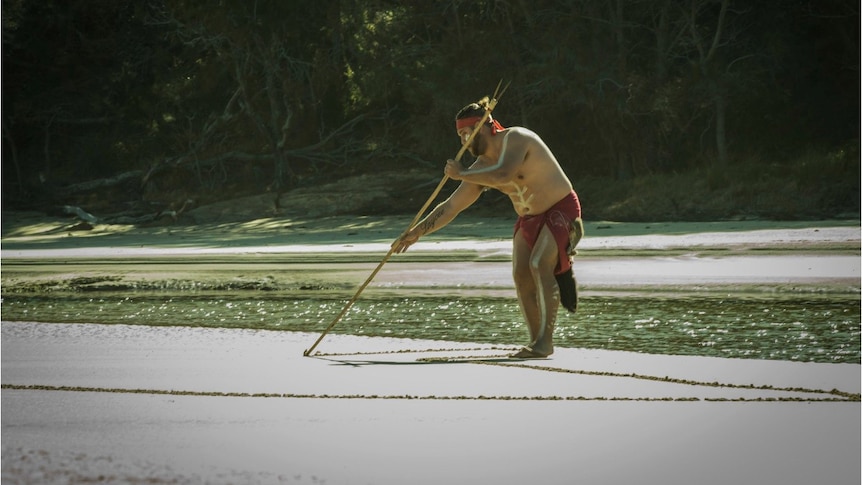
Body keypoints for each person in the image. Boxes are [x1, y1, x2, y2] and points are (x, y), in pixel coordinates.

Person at [393, 97, 583, 358]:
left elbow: (504, 174)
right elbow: (451, 207)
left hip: (561, 208)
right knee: (520, 273)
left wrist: (461, 174)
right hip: (528, 219)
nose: (463, 141)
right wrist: (417, 232)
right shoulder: (480, 167)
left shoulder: (516, 138)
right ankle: (535, 341)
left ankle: (544, 343)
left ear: (484, 126)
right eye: (459, 135)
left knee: (539, 264)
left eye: (466, 133)